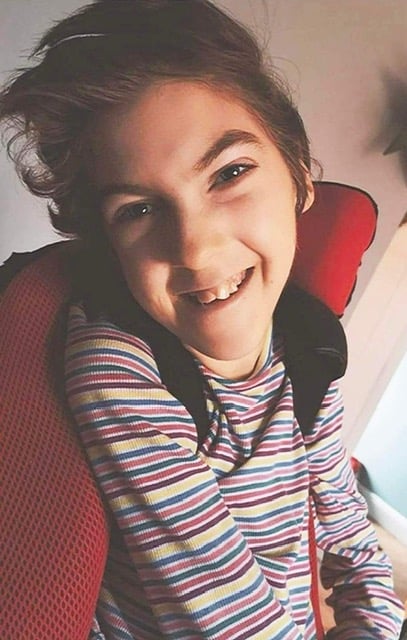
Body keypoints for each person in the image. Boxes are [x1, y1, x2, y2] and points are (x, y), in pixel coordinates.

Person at [0, 1, 404, 638]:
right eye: (139, 210)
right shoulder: (120, 374)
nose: (195, 249)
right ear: (108, 247)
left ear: (299, 177)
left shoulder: (305, 346)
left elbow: (353, 541)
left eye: (229, 173)